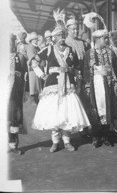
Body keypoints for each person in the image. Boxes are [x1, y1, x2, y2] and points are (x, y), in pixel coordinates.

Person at [30, 11, 91, 153]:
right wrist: (42, 74)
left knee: (67, 113)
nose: (62, 38)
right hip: (52, 85)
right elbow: (33, 61)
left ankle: (67, 141)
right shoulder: (48, 50)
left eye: (64, 35)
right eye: (59, 36)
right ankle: (55, 142)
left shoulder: (71, 50)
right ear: (54, 37)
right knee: (55, 114)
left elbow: (77, 67)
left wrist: (78, 79)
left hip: (68, 84)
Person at [83, 28, 117, 148]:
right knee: (95, 110)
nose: (107, 40)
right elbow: (85, 71)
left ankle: (106, 136)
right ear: (97, 39)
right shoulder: (88, 54)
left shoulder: (111, 53)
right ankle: (96, 137)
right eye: (105, 38)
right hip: (95, 85)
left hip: (108, 85)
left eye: (107, 38)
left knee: (108, 109)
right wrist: (88, 86)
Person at [65, 17, 91, 138]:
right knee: (73, 102)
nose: (75, 32)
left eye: (76, 29)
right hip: (71, 76)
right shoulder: (65, 42)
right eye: (73, 29)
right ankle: (70, 129)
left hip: (83, 73)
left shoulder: (81, 42)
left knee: (84, 100)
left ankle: (84, 128)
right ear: (68, 30)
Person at [8, 34, 27, 155]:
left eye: (11, 42)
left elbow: (25, 75)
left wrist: (25, 92)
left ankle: (13, 144)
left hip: (15, 92)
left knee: (14, 117)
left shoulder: (20, 57)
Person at [25, 32, 42, 104]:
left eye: (37, 39)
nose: (36, 40)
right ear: (31, 40)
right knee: (35, 87)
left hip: (38, 68)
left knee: (38, 86)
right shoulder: (30, 47)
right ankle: (35, 101)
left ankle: (37, 100)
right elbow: (32, 59)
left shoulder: (37, 47)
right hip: (34, 69)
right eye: (35, 39)